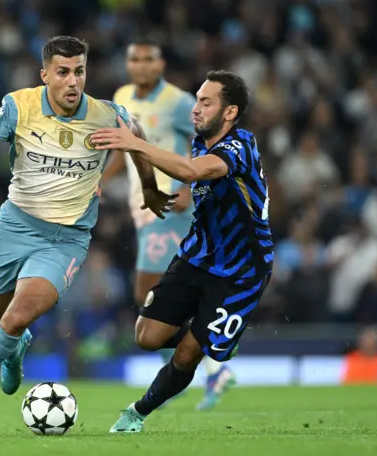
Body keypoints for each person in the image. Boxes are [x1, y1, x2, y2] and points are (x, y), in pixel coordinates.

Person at [0, 36, 173, 429]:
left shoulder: (106, 115)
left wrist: (149, 188)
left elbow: (138, 142)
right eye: (63, 72)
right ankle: (15, 349)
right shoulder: (19, 105)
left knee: (14, 318)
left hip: (65, 240)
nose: (72, 81)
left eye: (79, 72)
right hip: (14, 227)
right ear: (45, 74)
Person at [91, 70, 273, 433]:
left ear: (230, 112)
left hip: (241, 271)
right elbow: (192, 178)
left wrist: (136, 144)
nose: (196, 108)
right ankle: (208, 331)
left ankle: (136, 413)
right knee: (146, 337)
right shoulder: (198, 143)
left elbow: (192, 173)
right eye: (196, 99)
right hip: (196, 255)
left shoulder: (240, 146)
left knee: (188, 353)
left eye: (206, 102)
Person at [102, 40, 236, 411]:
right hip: (144, 207)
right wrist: (101, 180)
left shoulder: (179, 102)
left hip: (172, 207)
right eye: (134, 59)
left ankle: (208, 363)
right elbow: (125, 147)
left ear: (160, 64)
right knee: (150, 295)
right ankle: (199, 367)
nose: (141, 66)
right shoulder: (122, 95)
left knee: (150, 290)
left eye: (148, 59)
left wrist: (189, 188)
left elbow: (206, 141)